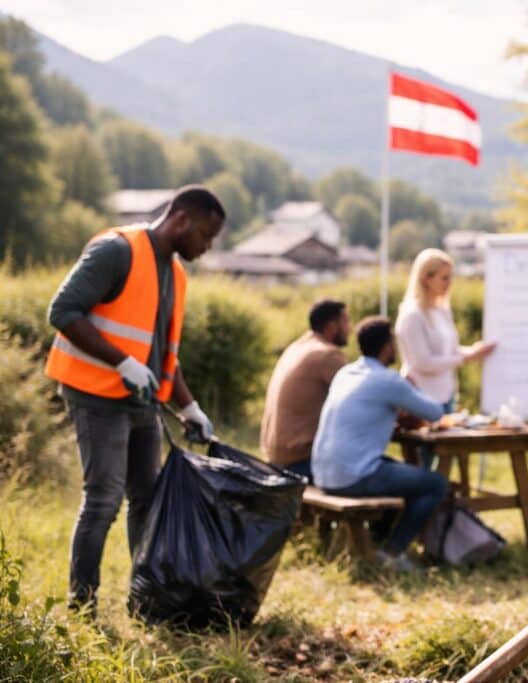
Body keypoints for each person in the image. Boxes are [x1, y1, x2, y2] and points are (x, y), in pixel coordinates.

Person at [45, 185, 225, 616]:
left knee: (146, 499)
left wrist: (188, 407)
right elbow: (62, 311)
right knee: (103, 499)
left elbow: (162, 355)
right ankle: (82, 607)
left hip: (139, 402)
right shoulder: (116, 251)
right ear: (181, 220)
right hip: (95, 394)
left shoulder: (175, 275)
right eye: (206, 235)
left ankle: (144, 602)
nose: (208, 246)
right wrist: (122, 362)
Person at [312, 316, 449, 572]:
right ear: (387, 347)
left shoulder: (347, 372)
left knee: (397, 471)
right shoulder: (387, 380)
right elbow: (434, 412)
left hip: (323, 473)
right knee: (435, 484)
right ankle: (392, 553)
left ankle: (376, 542)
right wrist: (413, 388)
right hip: (351, 477)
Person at [395, 248, 495, 412]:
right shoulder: (412, 315)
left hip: (446, 396)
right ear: (427, 278)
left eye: (450, 277)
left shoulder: (441, 310)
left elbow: (449, 351)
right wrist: (466, 358)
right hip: (421, 398)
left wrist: (474, 352)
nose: (449, 283)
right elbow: (423, 362)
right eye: (444, 278)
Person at [260, 299, 351, 481]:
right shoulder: (327, 354)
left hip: (275, 457)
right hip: (301, 461)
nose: (351, 328)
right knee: (382, 474)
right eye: (346, 322)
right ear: (332, 327)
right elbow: (360, 397)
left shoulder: (297, 347)